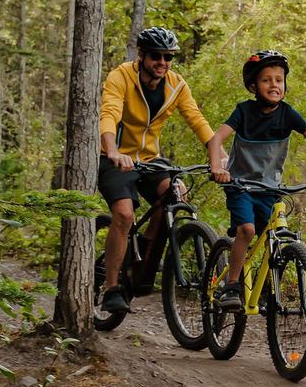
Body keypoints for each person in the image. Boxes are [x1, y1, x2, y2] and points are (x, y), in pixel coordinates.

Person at [97, 27, 228, 315]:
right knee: (124, 214)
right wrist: (113, 150)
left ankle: (143, 266)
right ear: (142, 55)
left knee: (174, 195)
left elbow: (197, 120)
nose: (162, 62)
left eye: (168, 57)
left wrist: (217, 155)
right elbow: (109, 113)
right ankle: (112, 288)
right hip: (115, 158)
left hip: (150, 159)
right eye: (156, 56)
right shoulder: (121, 76)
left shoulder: (176, 85)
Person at [207, 50, 306, 310]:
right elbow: (217, 139)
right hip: (241, 186)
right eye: (266, 80)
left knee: (270, 236)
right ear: (253, 86)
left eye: (279, 80)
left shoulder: (288, 114)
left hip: (270, 188)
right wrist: (217, 168)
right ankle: (232, 285)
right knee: (246, 231)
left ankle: (269, 289)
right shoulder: (244, 111)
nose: (274, 85)